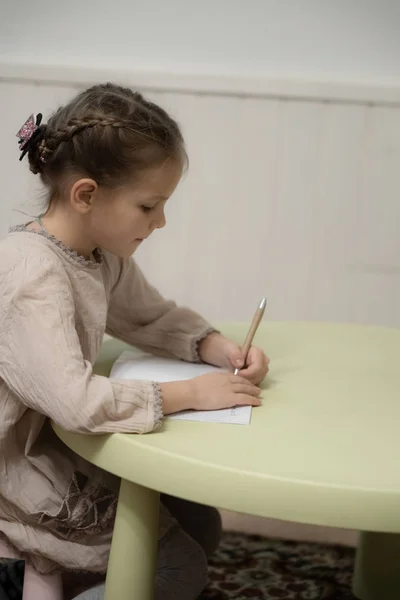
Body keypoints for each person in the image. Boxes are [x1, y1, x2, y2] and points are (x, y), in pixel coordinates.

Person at [0, 83, 269, 600]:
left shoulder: (99, 251)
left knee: (201, 522)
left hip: (64, 441)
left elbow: (149, 317)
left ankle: (69, 574)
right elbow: (76, 403)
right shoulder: (32, 274)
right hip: (24, 465)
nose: (160, 221)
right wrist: (191, 394)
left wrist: (215, 346)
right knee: (180, 568)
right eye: (149, 206)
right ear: (86, 195)